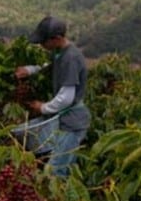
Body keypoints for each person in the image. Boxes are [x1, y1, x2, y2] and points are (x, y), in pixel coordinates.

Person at [15, 16, 90, 177]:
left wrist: (42, 107)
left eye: (43, 42)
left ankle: (61, 199)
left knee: (55, 170)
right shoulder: (59, 53)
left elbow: (66, 97)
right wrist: (30, 70)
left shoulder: (70, 58)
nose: (41, 45)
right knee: (64, 163)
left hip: (72, 123)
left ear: (56, 38)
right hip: (66, 121)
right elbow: (48, 67)